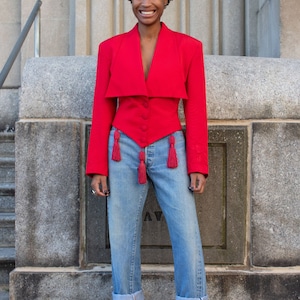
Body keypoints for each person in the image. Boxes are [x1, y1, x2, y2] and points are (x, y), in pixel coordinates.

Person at [86, 0, 209, 299]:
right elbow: (103, 108)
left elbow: (195, 108)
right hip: (122, 149)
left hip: (170, 149)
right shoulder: (110, 49)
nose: (146, 3)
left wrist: (197, 164)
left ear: (166, 1)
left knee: (187, 236)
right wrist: (97, 167)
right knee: (122, 237)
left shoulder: (189, 47)